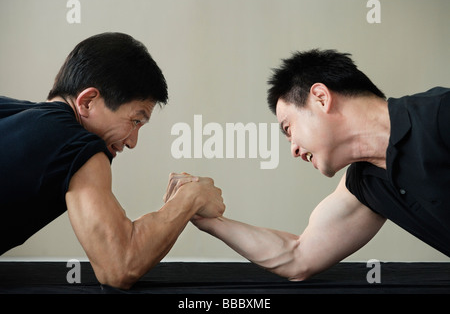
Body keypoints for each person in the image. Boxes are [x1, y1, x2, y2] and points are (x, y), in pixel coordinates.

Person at [167, 49, 450, 281]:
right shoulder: (365, 186)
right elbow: (297, 257)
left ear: (321, 98)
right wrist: (207, 220)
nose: (293, 150)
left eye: (288, 128)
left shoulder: (440, 114)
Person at [0, 32, 225, 289]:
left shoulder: (11, 111)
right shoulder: (76, 143)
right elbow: (119, 265)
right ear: (87, 101)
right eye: (135, 121)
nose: (132, 142)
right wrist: (191, 197)